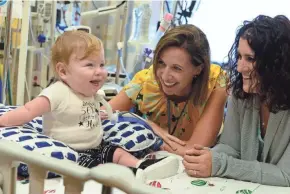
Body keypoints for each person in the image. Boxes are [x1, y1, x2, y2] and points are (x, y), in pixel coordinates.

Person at [0, 31, 179, 180]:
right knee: (90, 167)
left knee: (116, 152)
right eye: (90, 65)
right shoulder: (57, 93)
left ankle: (141, 166)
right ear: (63, 71)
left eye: (101, 64)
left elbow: (90, 112)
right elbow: (28, 110)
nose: (100, 71)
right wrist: (3, 120)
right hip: (70, 150)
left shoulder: (91, 93)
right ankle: (122, 175)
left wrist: (99, 114)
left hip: (97, 144)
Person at [182, 15, 290, 187]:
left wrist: (221, 165)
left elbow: (285, 175)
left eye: (250, 59)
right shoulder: (241, 94)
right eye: (239, 57)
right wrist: (208, 157)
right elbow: (230, 147)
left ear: (276, 63)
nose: (239, 67)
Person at [108, 24, 228, 157]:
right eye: (161, 63)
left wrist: (149, 135)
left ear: (198, 69)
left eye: (176, 68)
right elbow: (96, 117)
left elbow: (192, 151)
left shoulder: (217, 82)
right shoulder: (146, 81)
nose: (164, 76)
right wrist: (147, 125)